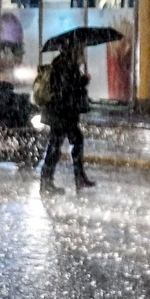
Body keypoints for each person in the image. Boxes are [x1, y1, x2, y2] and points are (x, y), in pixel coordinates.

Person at [40, 41, 96, 195]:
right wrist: (83, 81)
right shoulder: (64, 65)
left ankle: (77, 177)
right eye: (80, 49)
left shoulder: (66, 64)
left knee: (71, 142)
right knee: (56, 146)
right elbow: (66, 90)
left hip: (64, 113)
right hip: (62, 114)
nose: (82, 52)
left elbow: (68, 88)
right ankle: (47, 182)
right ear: (73, 50)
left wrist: (80, 81)